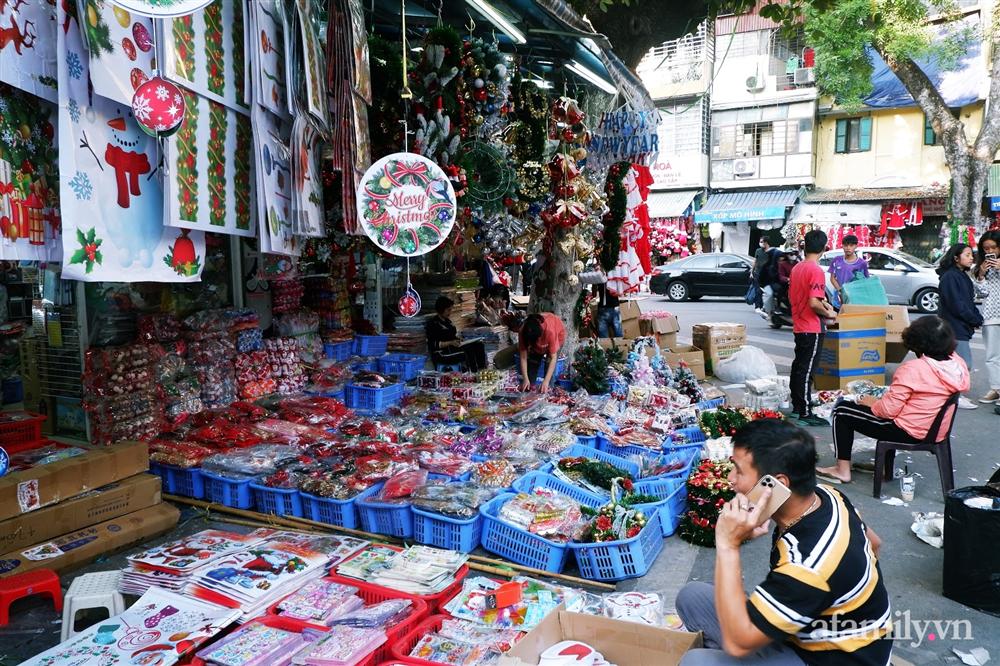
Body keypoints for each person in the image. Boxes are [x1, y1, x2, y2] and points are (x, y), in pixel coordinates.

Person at [675, 419, 891, 666]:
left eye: (739, 471)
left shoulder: (807, 565)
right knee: (691, 597)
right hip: (811, 635)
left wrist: (728, 544)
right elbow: (874, 543)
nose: (730, 478)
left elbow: (737, 644)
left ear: (776, 484)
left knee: (697, 661)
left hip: (834, 659)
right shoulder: (828, 495)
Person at [816, 315, 970, 484]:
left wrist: (870, 401)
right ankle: (884, 468)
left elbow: (887, 411)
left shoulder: (914, 369)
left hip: (908, 431)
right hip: (936, 430)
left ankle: (842, 470)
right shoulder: (957, 364)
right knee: (886, 405)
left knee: (842, 409)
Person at [789, 231, 836, 427]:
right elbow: (814, 303)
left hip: (799, 324)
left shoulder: (797, 268)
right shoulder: (815, 270)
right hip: (811, 326)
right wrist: (830, 314)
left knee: (799, 367)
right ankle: (805, 412)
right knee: (807, 370)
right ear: (824, 248)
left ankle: (797, 407)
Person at [938, 243, 982, 410]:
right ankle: (955, 396)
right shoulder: (950, 276)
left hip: (960, 325)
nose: (972, 258)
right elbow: (957, 304)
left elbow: (967, 302)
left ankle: (952, 395)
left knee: (957, 363)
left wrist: (976, 317)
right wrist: (974, 319)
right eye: (968, 254)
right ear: (956, 258)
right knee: (963, 363)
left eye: (972, 255)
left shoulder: (961, 275)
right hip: (953, 326)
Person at [425, 296, 487, 371]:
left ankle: (482, 370)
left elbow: (452, 336)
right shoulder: (433, 324)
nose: (450, 312)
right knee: (468, 350)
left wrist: (459, 340)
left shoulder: (448, 322)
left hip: (452, 348)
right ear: (441, 309)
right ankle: (473, 373)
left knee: (478, 344)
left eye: (450, 310)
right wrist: (450, 343)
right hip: (442, 353)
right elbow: (433, 344)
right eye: (448, 310)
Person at [510, 312, 566, 393]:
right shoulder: (523, 331)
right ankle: (530, 389)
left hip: (557, 335)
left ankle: (548, 392)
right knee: (533, 363)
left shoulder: (549, 331)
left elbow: (553, 358)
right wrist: (525, 379)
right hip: (536, 339)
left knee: (548, 365)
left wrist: (546, 381)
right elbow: (523, 357)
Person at [975, 232, 1000, 404]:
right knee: (992, 355)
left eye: (993, 247)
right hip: (991, 314)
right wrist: (981, 275)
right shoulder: (981, 266)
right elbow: (981, 293)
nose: (990, 251)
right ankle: (996, 388)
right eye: (986, 248)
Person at [752, 237, 772, 315]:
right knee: (758, 290)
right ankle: (757, 306)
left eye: (762, 242)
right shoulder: (758, 251)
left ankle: (765, 306)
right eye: (760, 242)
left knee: (767, 291)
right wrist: (752, 271)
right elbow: (755, 261)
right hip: (757, 273)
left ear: (766, 243)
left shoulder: (771, 251)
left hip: (767, 274)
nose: (760, 243)